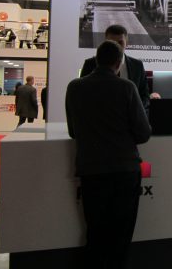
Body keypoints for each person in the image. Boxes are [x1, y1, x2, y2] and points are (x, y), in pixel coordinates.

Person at [66, 40, 151, 269]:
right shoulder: (127, 88)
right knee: (121, 236)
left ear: (96, 60)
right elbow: (143, 134)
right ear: (118, 62)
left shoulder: (75, 87)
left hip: (91, 171)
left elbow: (73, 131)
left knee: (95, 233)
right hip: (125, 171)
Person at [81, 24, 150, 114]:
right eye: (112, 42)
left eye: (120, 42)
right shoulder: (90, 64)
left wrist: (136, 112)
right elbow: (82, 95)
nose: (116, 46)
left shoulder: (137, 65)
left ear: (126, 43)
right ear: (105, 43)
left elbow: (144, 95)